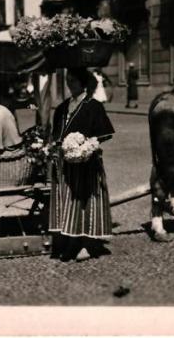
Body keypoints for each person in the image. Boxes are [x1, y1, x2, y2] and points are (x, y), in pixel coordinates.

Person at [50, 68, 115, 262]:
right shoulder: (62, 107)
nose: (70, 84)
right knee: (69, 202)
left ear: (83, 82)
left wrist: (86, 148)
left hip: (87, 164)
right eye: (68, 80)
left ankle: (87, 244)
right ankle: (70, 239)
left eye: (73, 80)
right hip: (66, 164)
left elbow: (103, 134)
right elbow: (56, 135)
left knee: (86, 203)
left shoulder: (93, 105)